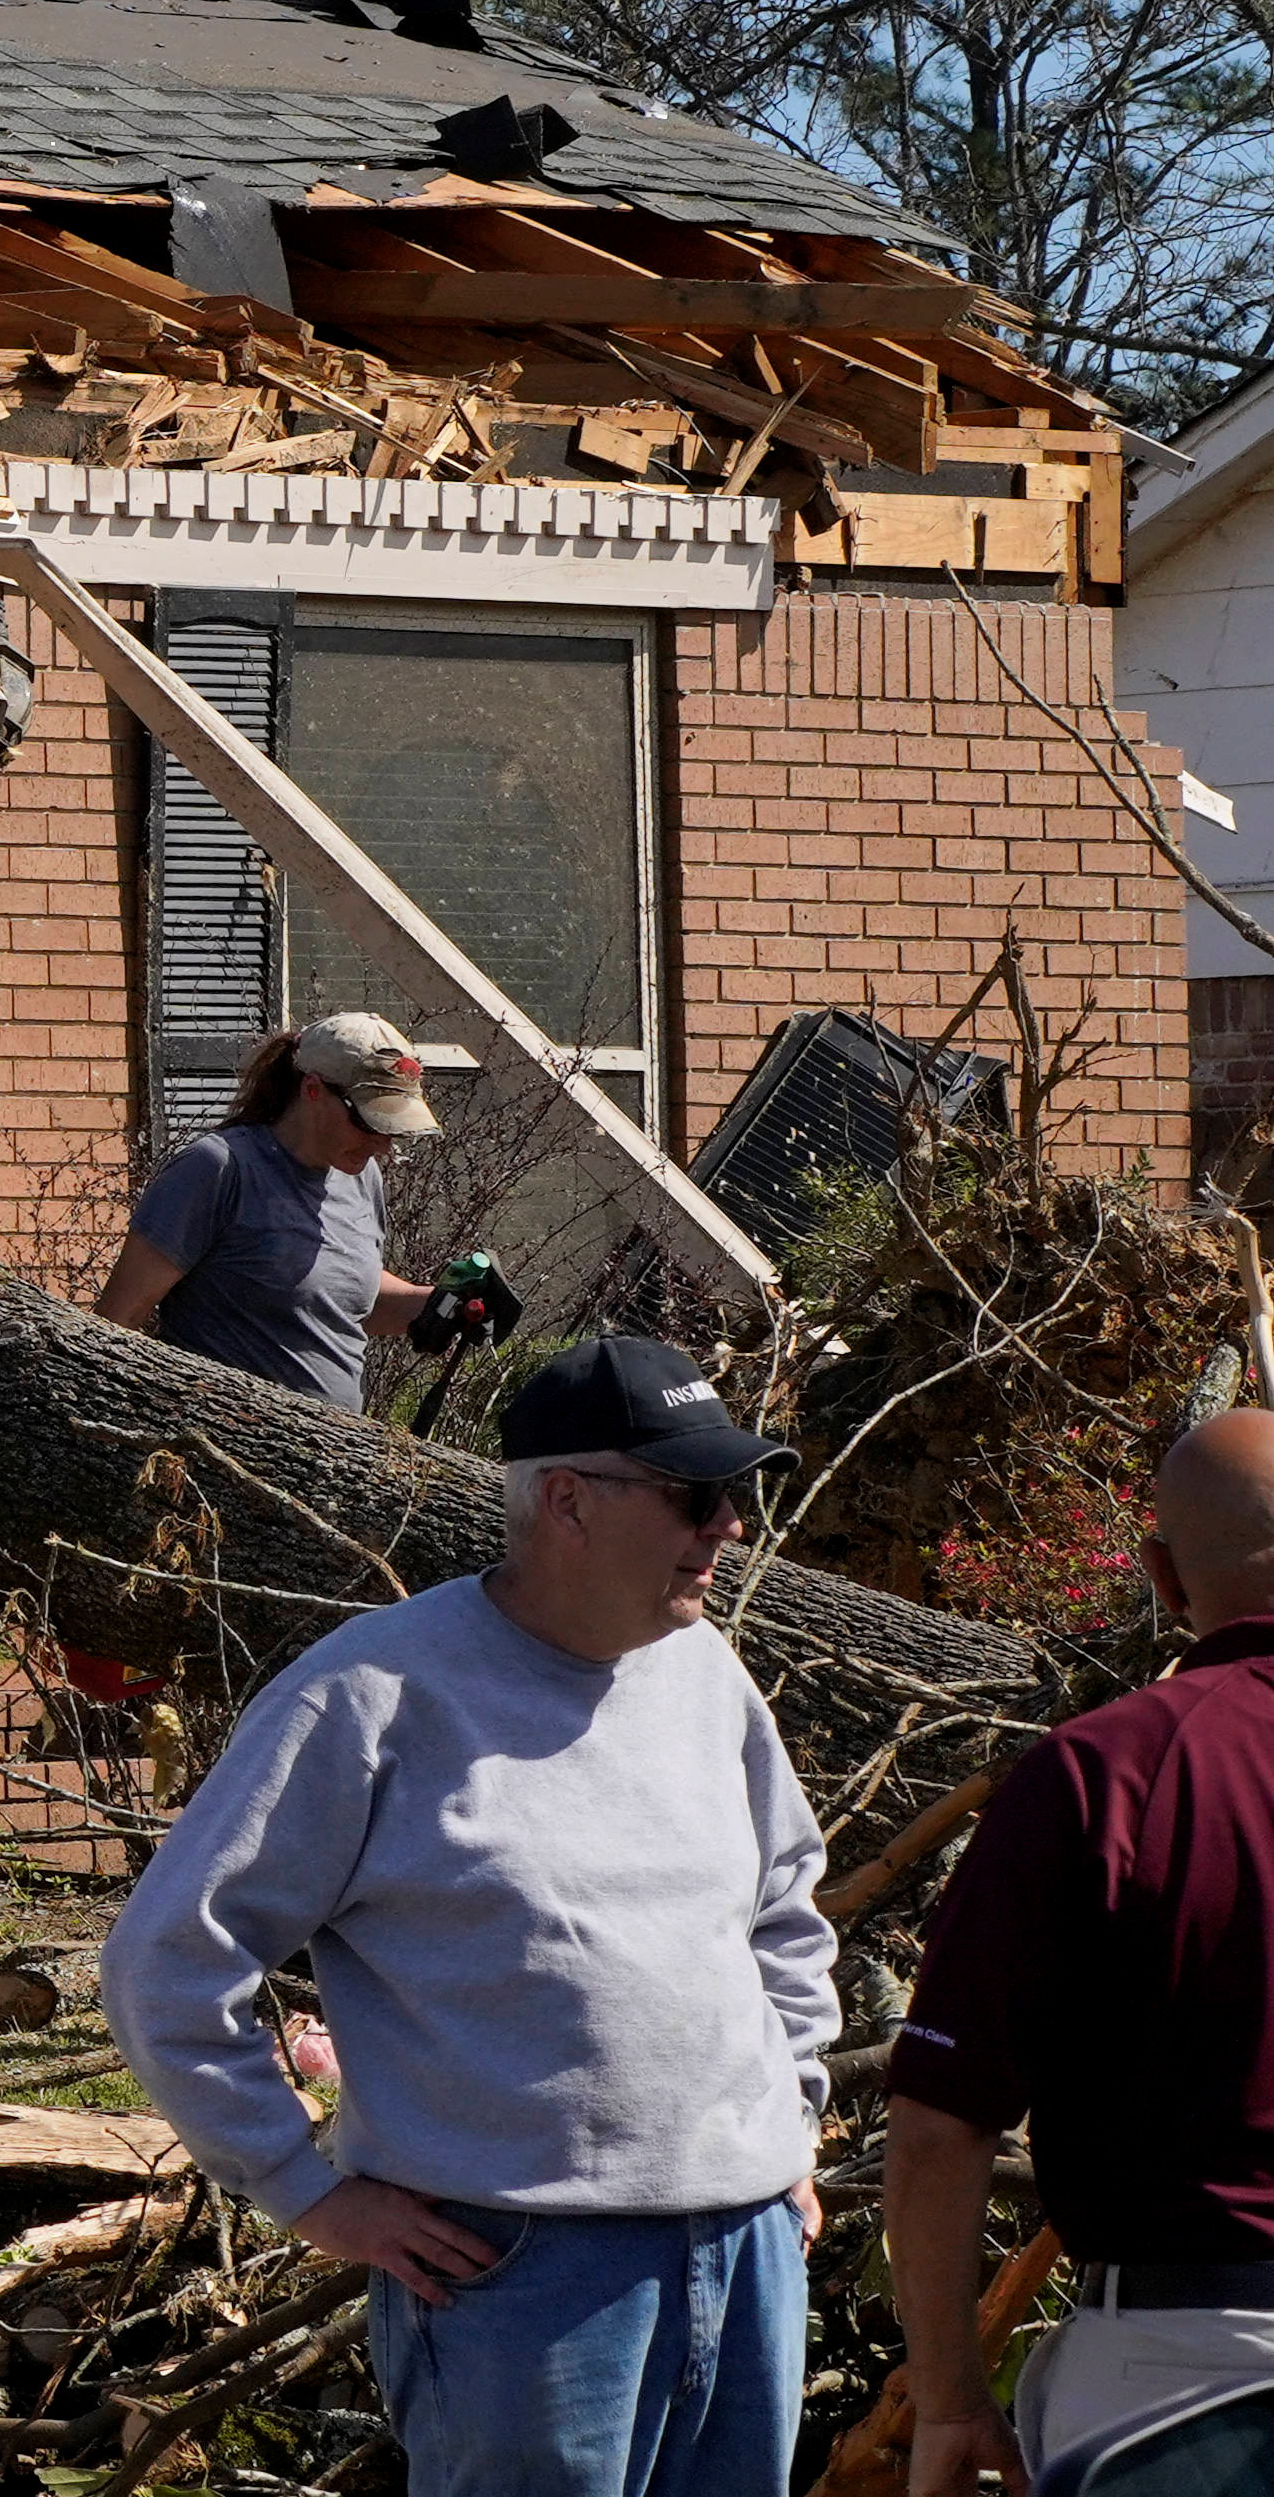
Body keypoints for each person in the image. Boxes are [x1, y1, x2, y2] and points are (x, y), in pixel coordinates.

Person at [99, 1335, 835, 2497]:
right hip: (520, 2277)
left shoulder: (708, 1676)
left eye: (739, 1495)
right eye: (698, 1495)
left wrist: (789, 2116)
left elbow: (785, 1910)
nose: (730, 1526)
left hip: (748, 2252)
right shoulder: (369, 1698)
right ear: (566, 1501)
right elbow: (168, 1964)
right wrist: (307, 2189)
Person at [887, 1409, 1274, 2497]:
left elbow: (936, 2125)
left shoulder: (1110, 1772)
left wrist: (951, 2397)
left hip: (1177, 2377)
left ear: (1160, 1572)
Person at [91, 1014, 481, 1411]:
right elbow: (116, 1321)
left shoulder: (362, 1178)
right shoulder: (219, 1168)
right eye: (370, 1122)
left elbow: (334, 1299)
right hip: (220, 1450)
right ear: (312, 1090)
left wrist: (440, 1304)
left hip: (338, 1454)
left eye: (393, 1128)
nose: (381, 1144)